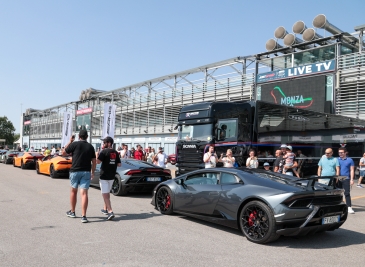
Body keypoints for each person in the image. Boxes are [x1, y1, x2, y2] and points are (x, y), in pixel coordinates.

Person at [63, 130, 96, 223]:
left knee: (73, 191)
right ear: (87, 136)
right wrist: (92, 172)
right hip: (86, 172)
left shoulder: (75, 144)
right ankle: (84, 216)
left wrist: (70, 141)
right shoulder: (90, 146)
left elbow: (63, 153)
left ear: (79, 136)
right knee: (84, 193)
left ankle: (72, 212)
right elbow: (94, 161)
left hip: (75, 171)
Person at [96, 136, 121, 220]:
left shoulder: (104, 152)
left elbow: (98, 161)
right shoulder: (116, 152)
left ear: (109, 143)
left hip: (104, 176)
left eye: (104, 142)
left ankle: (110, 211)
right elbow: (119, 164)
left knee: (105, 194)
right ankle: (105, 209)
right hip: (112, 176)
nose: (103, 144)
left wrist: (97, 155)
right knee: (107, 193)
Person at [337, 147, 355, 214]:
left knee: (347, 193)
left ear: (345, 153)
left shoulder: (350, 160)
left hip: (346, 178)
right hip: (338, 178)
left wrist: (352, 179)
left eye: (341, 152)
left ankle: (349, 207)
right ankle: (339, 206)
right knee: (338, 193)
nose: (340, 154)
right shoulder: (336, 159)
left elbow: (352, 170)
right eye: (339, 152)